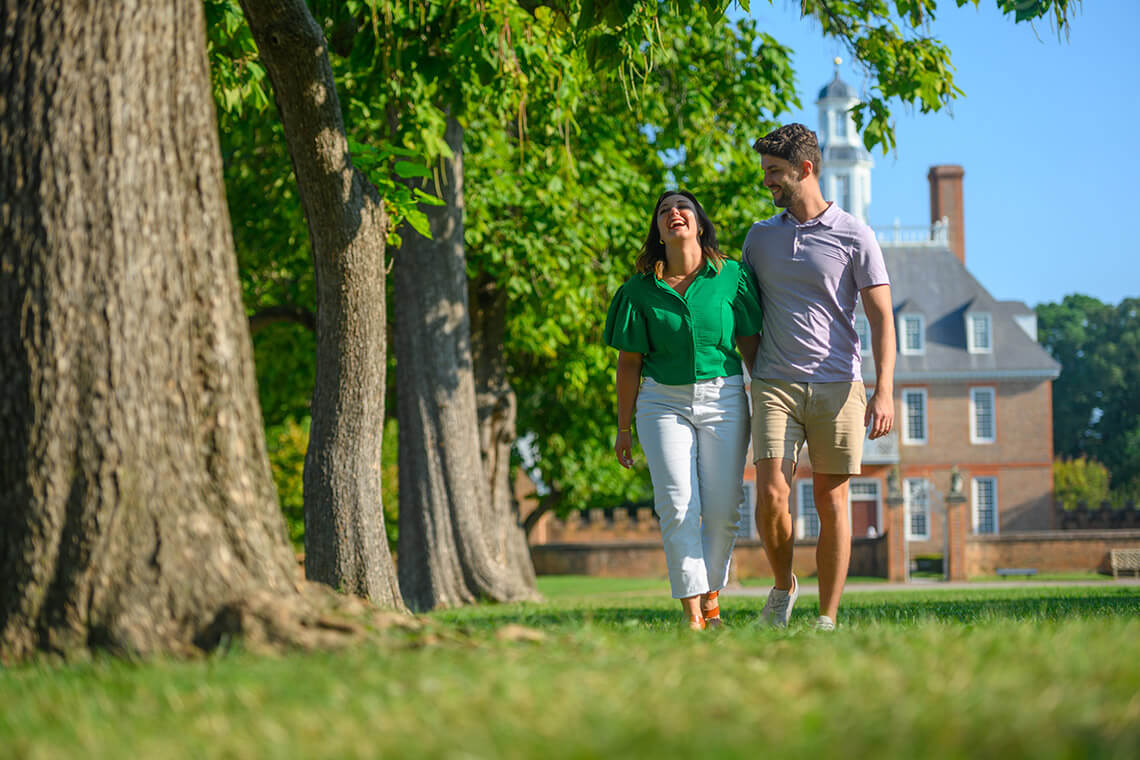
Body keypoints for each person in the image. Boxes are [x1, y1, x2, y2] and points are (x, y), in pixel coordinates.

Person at [741, 123, 896, 631]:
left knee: (832, 501)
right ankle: (785, 586)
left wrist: (884, 390)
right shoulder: (760, 237)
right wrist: (752, 366)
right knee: (770, 494)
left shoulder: (855, 234)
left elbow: (881, 317)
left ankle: (826, 618)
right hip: (774, 385)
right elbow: (743, 309)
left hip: (838, 386)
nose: (768, 181)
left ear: (805, 169)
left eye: (774, 172)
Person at [604, 190, 763, 631]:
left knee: (724, 509)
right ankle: (694, 615)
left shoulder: (731, 276)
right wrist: (623, 429)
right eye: (664, 211)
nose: (674, 213)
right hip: (661, 403)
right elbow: (629, 362)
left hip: (724, 398)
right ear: (658, 230)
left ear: (698, 222)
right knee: (676, 504)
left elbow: (751, 345)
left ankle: (711, 594)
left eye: (683, 207)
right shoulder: (639, 291)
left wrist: (769, 402)